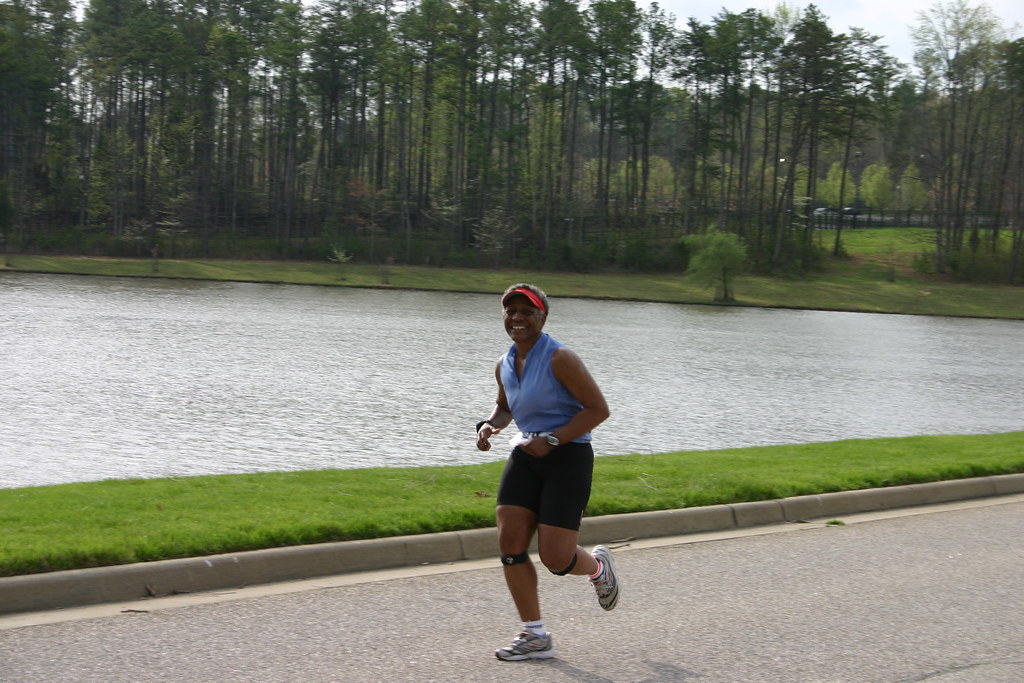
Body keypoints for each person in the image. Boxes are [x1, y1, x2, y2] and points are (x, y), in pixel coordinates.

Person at [475, 283, 619, 662]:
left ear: (543, 317)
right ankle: (535, 636)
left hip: (568, 456)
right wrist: (490, 425)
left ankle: (599, 568)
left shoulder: (560, 358)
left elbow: (598, 410)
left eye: (527, 311)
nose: (517, 318)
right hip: (525, 455)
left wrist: (553, 440)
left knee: (556, 558)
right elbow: (505, 407)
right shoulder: (504, 363)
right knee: (510, 545)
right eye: (511, 311)